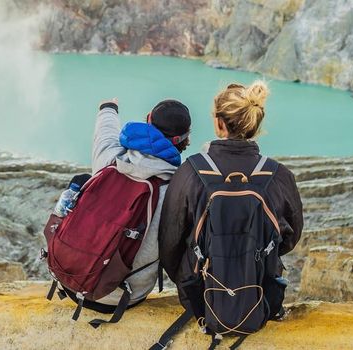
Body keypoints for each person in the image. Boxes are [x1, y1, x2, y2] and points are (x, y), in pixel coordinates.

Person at [154, 81, 303, 347]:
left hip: (200, 298)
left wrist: (191, 280)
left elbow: (169, 242)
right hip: (261, 293)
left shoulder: (190, 171)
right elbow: (290, 237)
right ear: (255, 125)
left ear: (219, 124)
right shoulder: (278, 175)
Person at [87, 97, 192, 310]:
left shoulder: (111, 160)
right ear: (183, 139)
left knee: (81, 182)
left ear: (148, 120)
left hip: (75, 280)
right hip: (125, 295)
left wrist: (109, 108)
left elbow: (105, 136)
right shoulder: (176, 188)